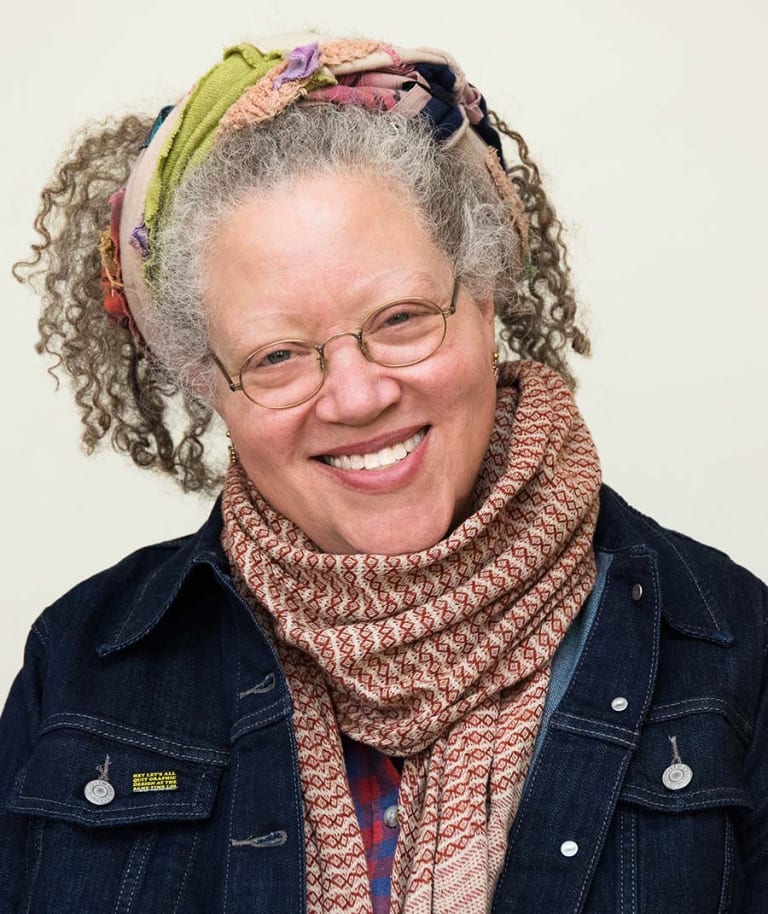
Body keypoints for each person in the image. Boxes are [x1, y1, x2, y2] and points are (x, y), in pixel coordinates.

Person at [1, 32, 766, 914]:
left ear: (485, 297)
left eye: (401, 318)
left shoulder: (731, 648)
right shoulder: (83, 666)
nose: (357, 396)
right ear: (209, 383)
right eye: (279, 354)